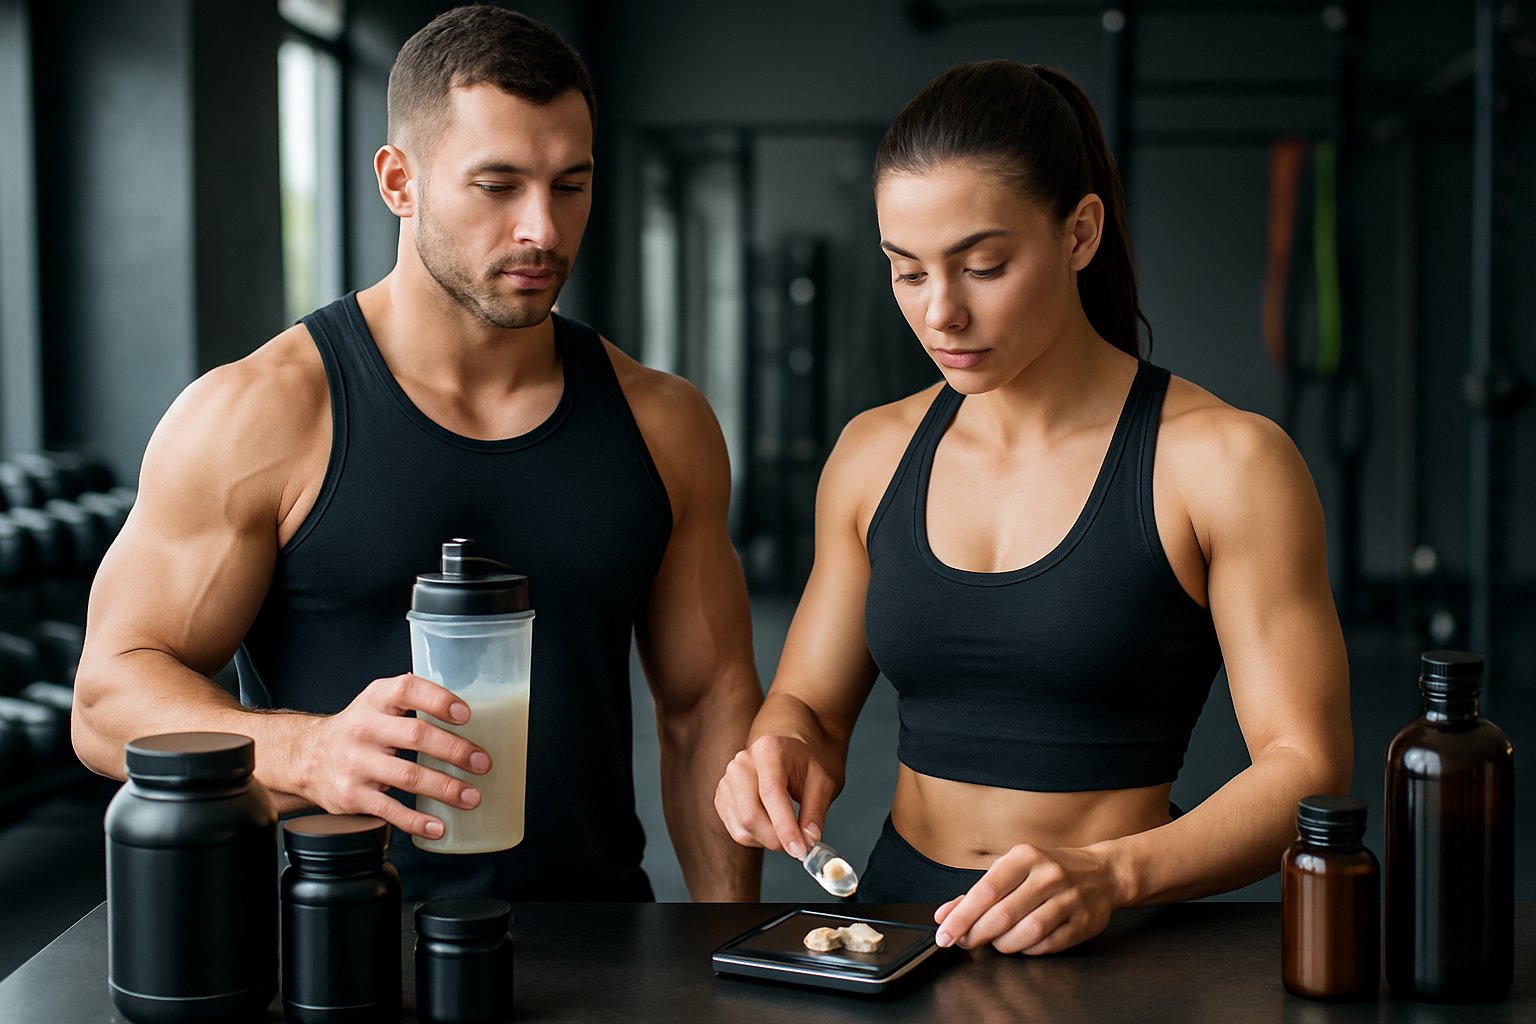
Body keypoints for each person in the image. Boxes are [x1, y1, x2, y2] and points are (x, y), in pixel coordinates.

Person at [72, 5, 762, 903]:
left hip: (600, 947)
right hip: (339, 955)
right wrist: (307, 750)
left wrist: (721, 947)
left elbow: (705, 706)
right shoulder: (261, 414)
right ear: (400, 181)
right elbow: (105, 699)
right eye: (498, 185)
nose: (543, 231)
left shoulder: (662, 422)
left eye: (570, 185)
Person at [714, 60, 1352, 953]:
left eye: (983, 266)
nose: (941, 313)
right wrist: (779, 750)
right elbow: (810, 710)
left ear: (1080, 232)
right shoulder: (873, 453)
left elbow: (1308, 770)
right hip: (895, 924)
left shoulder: (1224, 463)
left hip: (1114, 937)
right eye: (907, 271)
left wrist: (1114, 873)